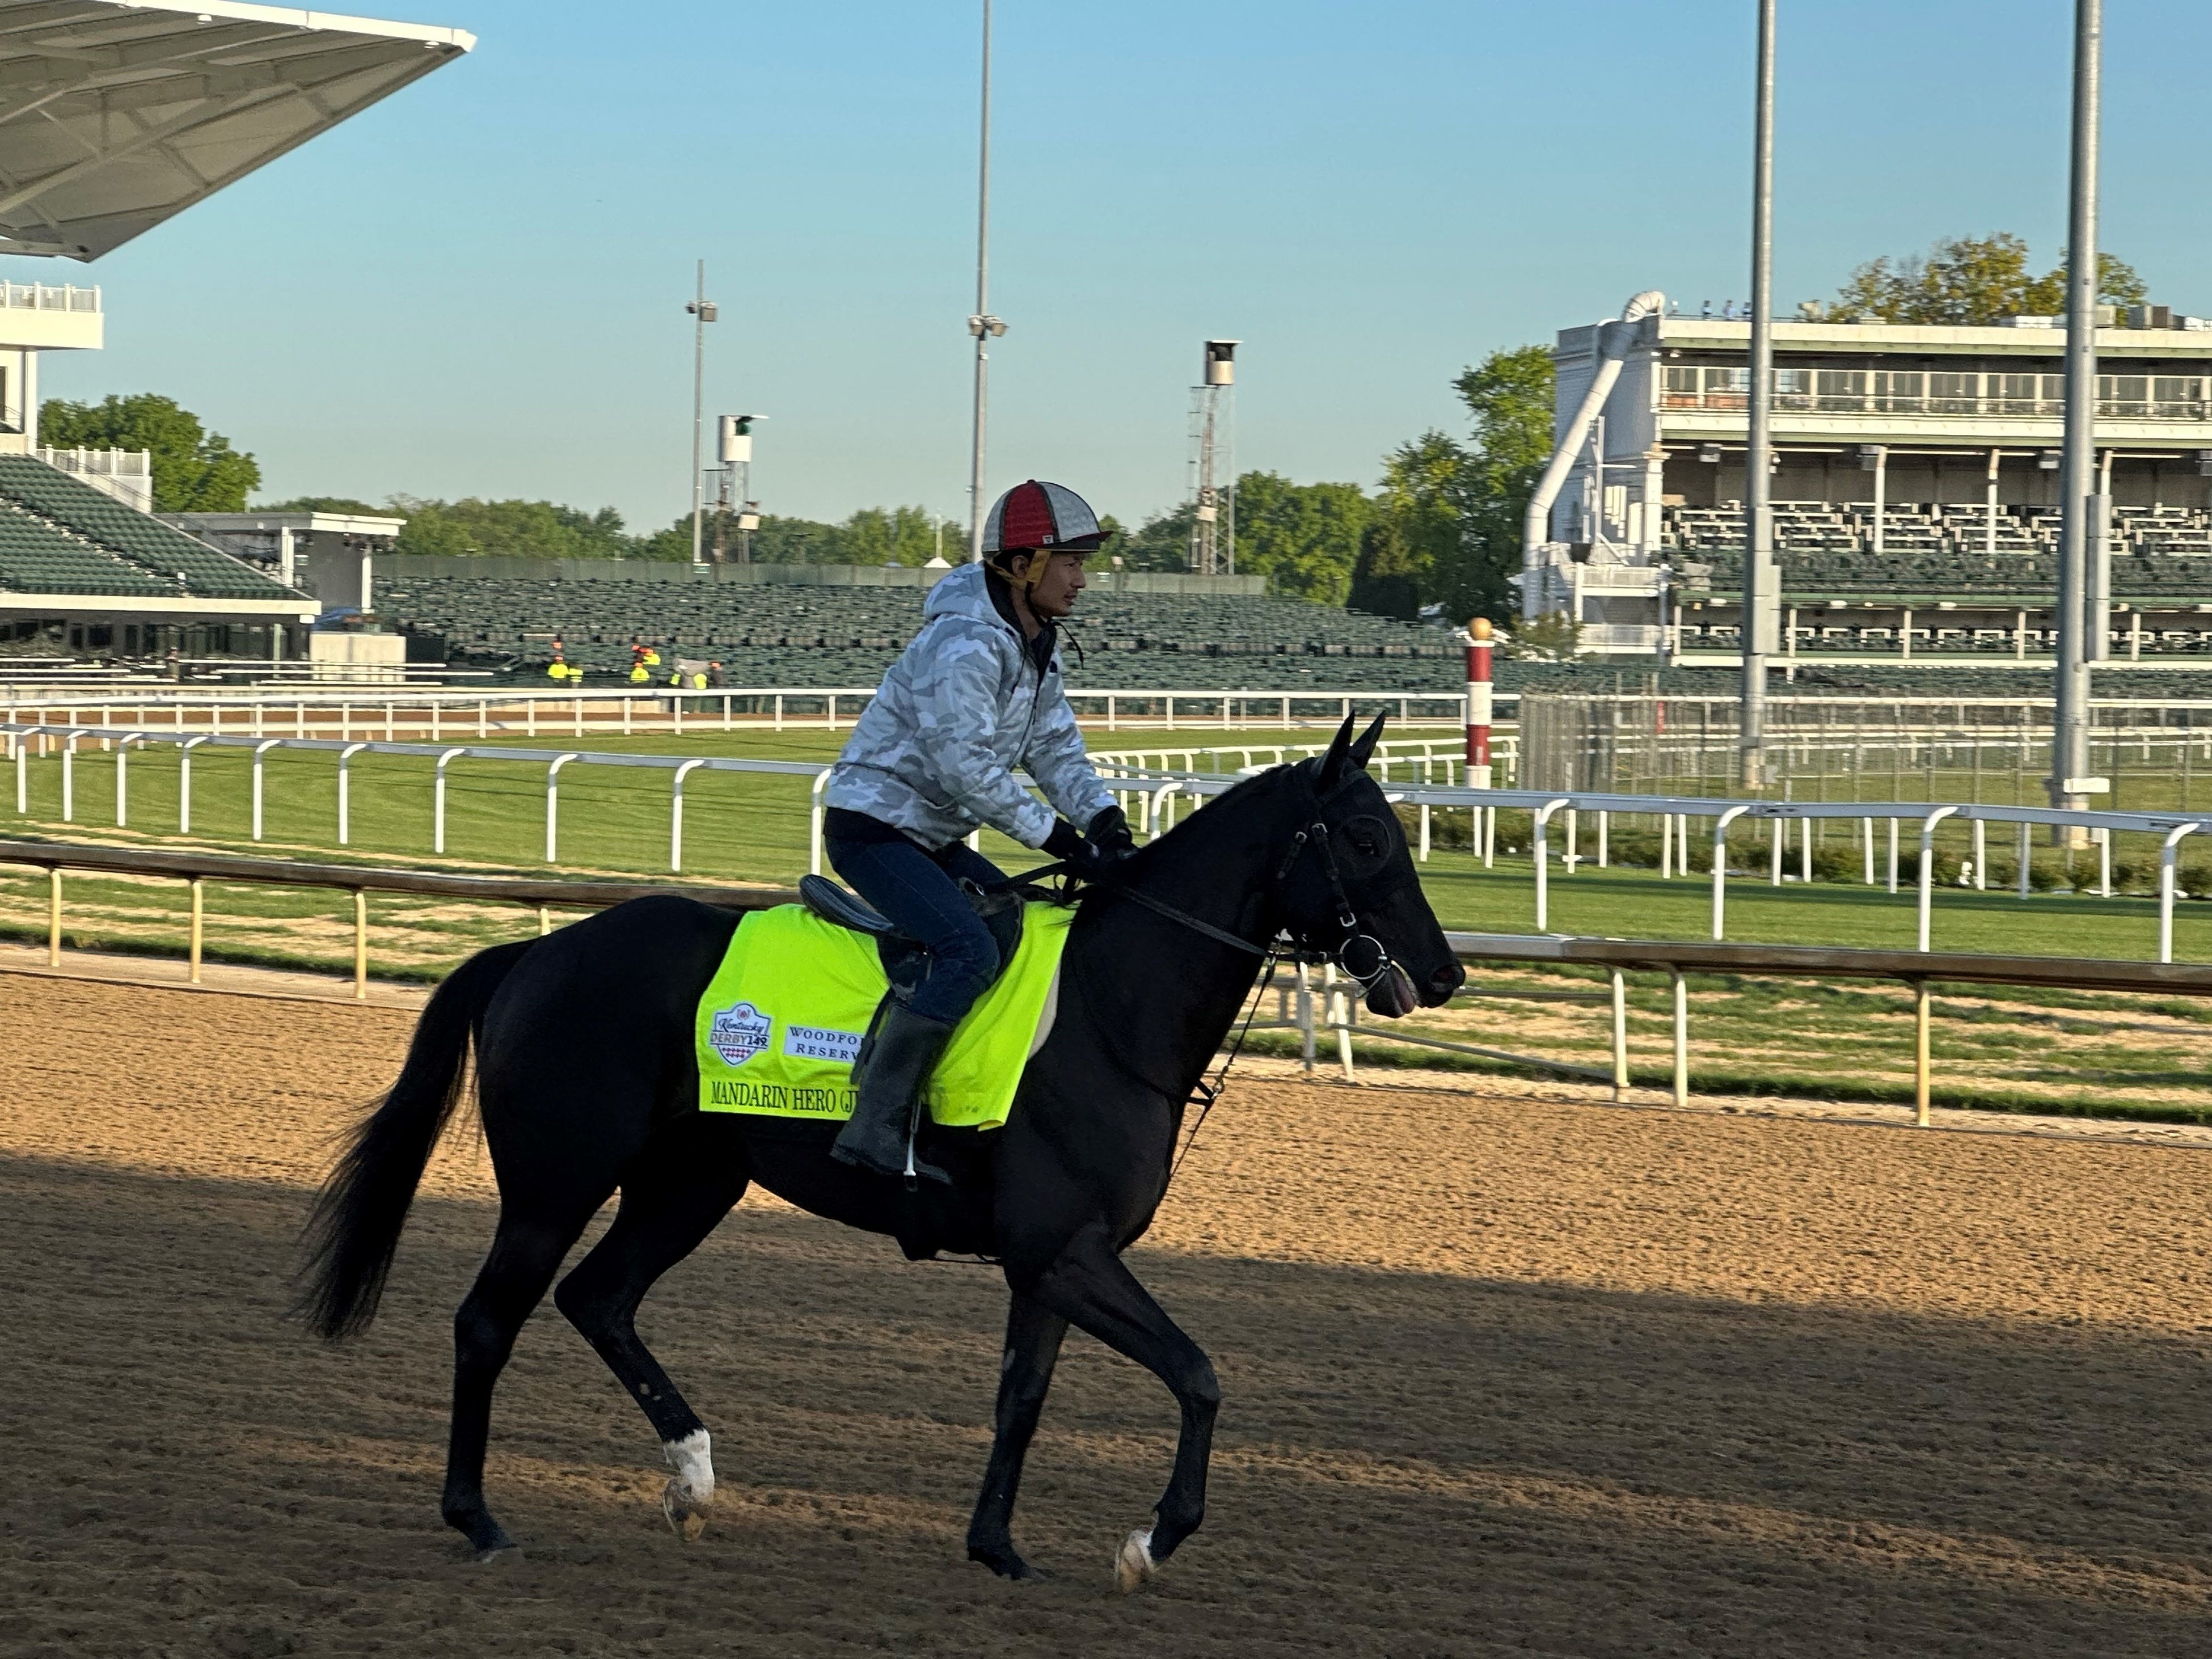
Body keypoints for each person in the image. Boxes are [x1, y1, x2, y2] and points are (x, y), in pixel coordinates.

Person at [821, 478, 1135, 1180]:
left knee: (1018, 926)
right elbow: (963, 768)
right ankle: (874, 1122)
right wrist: (1061, 841)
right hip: (871, 830)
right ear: (1023, 565)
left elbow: (1054, 749)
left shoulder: (1035, 640)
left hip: (927, 836)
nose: (1083, 580)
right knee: (967, 949)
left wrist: (1106, 822)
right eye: (1072, 563)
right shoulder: (965, 643)